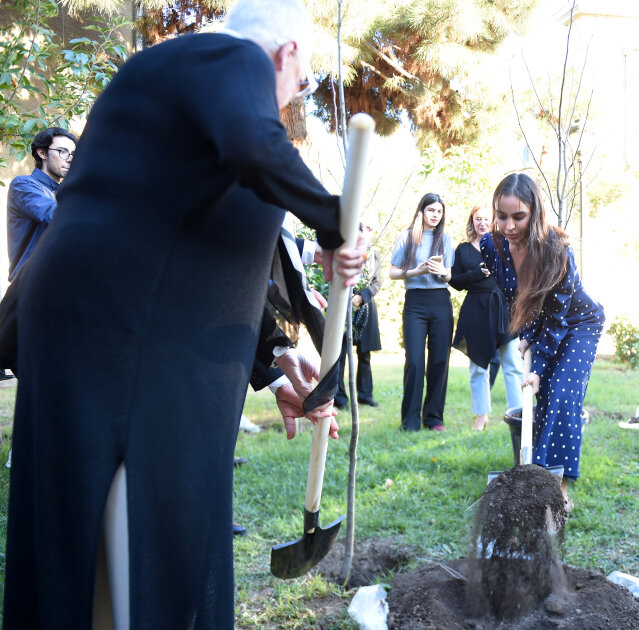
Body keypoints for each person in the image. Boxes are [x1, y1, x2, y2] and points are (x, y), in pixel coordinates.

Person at [2, 0, 366, 627]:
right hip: (114, 336)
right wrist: (334, 220)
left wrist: (274, 363)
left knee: (104, 542)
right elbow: (256, 150)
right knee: (140, 532)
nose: (287, 104)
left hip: (114, 327)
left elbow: (191, 261)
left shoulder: (188, 111)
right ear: (285, 57)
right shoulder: (225, 59)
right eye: (299, 87)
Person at [480, 173, 605, 511]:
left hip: (579, 323)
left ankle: (559, 490)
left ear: (535, 213)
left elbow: (558, 313)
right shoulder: (492, 246)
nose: (508, 225)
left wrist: (541, 361)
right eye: (501, 215)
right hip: (543, 321)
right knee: (543, 396)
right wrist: (525, 336)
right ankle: (535, 478)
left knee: (561, 392)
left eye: (518, 216)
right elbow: (515, 297)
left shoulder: (557, 250)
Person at [450, 204, 523, 430]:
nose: (482, 222)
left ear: (494, 220)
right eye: (477, 219)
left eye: (486, 218)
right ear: (472, 222)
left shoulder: (505, 245)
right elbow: (455, 282)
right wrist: (477, 273)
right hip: (476, 309)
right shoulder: (462, 249)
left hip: (505, 308)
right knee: (478, 366)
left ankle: (517, 414)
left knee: (512, 363)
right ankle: (481, 415)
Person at [389, 193, 454, 431]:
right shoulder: (406, 237)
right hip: (415, 303)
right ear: (421, 212)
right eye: (431, 210)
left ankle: (434, 418)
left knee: (439, 360)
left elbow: (450, 276)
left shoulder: (445, 238)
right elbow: (393, 272)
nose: (436, 215)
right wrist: (416, 271)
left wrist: (441, 270)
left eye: (439, 211)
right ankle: (411, 421)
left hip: (440, 301)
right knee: (415, 361)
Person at [6, 126, 78, 281]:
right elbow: (53, 215)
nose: (70, 158)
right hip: (28, 285)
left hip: (57, 283)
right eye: (62, 151)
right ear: (42, 153)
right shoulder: (23, 184)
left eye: (73, 153)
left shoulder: (65, 194)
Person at [335, 219, 383, 410]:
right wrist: (348, 298)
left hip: (367, 307)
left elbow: (377, 283)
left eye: (369, 227)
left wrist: (361, 297)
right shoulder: (341, 251)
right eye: (363, 226)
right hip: (342, 307)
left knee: (365, 355)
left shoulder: (374, 254)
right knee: (340, 355)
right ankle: (339, 398)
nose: (366, 230)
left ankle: (364, 395)